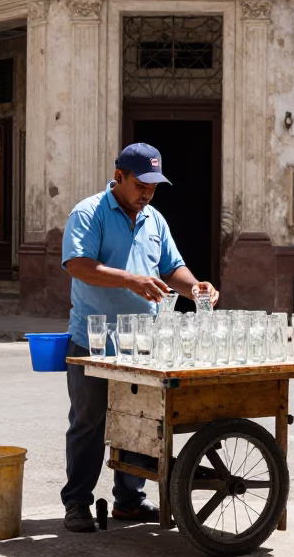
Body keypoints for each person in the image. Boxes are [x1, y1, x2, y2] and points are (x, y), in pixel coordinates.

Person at [61, 143, 218, 533]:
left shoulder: (154, 220)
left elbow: (172, 268)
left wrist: (196, 288)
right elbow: (78, 265)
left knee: (142, 420)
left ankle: (129, 500)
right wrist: (130, 279)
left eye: (154, 185)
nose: (147, 192)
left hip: (142, 342)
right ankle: (77, 502)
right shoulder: (89, 212)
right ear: (120, 178)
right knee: (89, 423)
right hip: (93, 341)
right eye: (141, 184)